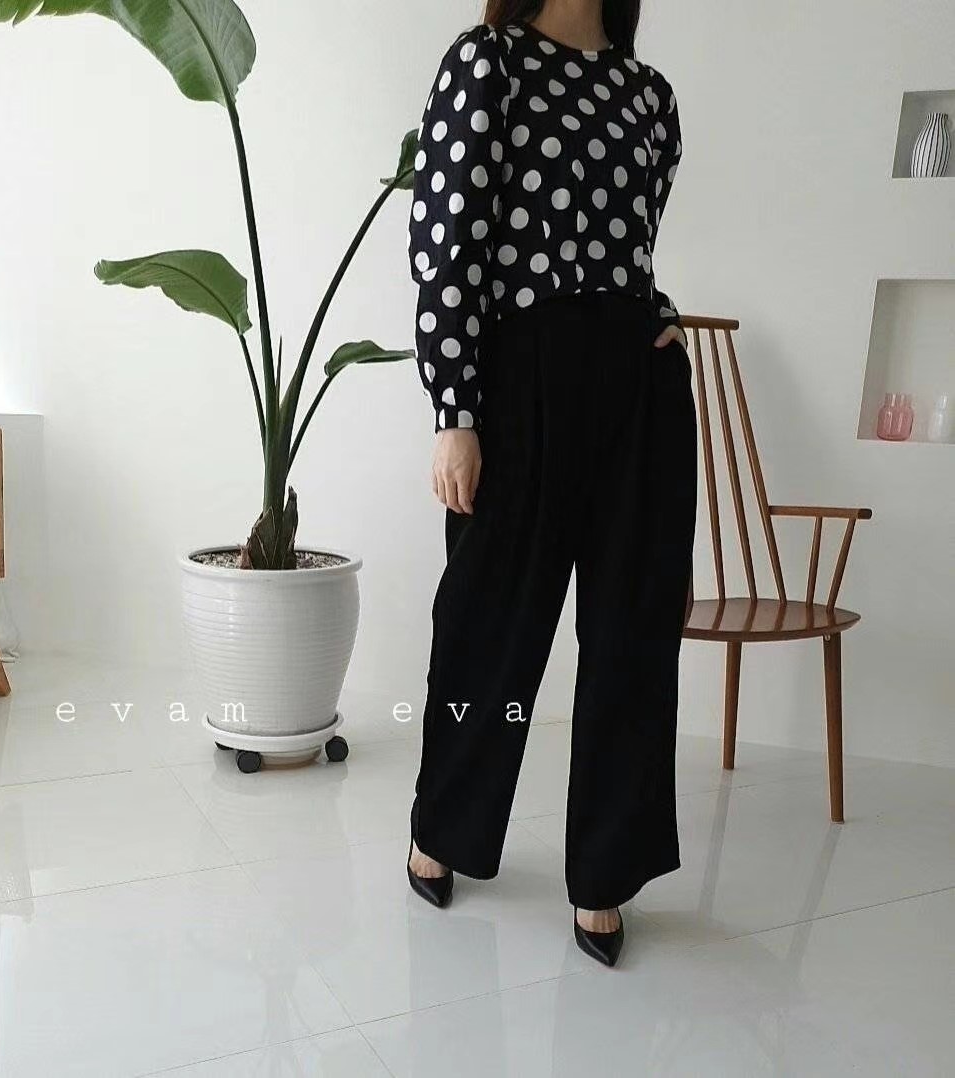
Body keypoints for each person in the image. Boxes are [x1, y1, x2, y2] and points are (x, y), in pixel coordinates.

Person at [405, 0, 697, 968]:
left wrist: (659, 317)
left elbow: (632, 242)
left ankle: (605, 873)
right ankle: (444, 826)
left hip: (637, 382)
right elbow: (446, 239)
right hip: (519, 378)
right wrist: (455, 410)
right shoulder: (487, 62)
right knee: (488, 625)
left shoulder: (647, 94)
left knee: (632, 633)